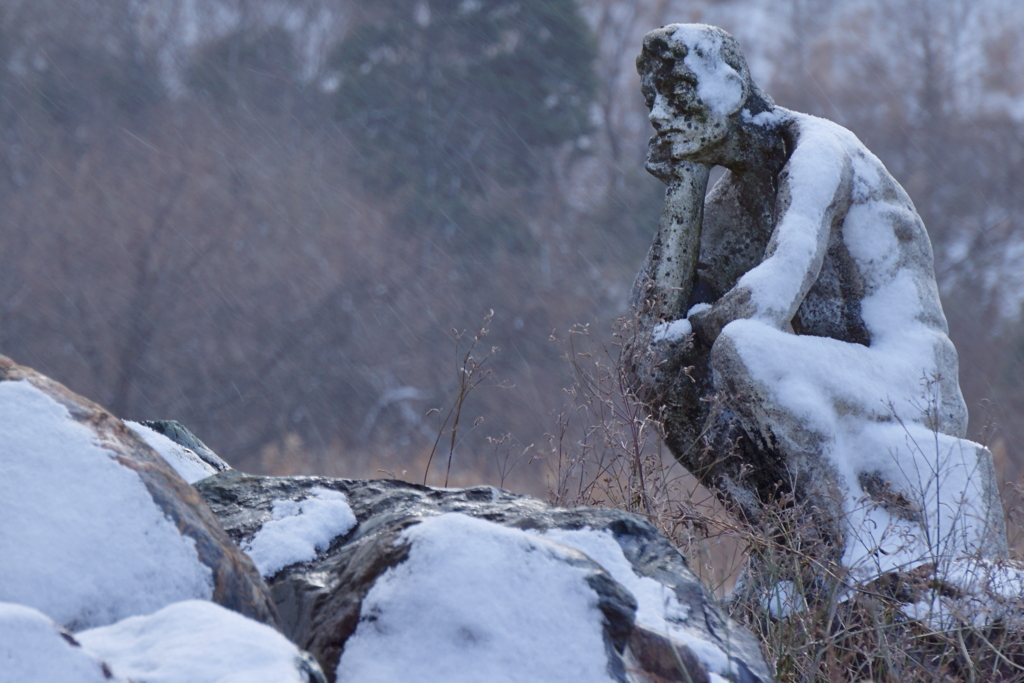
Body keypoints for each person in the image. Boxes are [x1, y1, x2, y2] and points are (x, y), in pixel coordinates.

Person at [628, 24, 1002, 591]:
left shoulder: (819, 152)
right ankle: (786, 540)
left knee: (741, 345)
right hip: (829, 379)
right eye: (650, 100)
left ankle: (851, 553)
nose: (657, 115)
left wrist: (697, 326)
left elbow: (770, 297)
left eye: (674, 94)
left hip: (912, 387)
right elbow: (648, 332)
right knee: (656, 373)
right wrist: (683, 188)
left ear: (728, 90)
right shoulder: (729, 199)